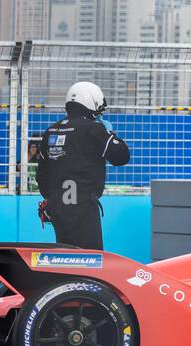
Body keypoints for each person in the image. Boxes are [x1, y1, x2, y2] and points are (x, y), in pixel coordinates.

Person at [37, 81, 130, 249]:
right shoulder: (93, 128)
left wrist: (54, 198)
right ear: (90, 101)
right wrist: (108, 133)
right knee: (90, 259)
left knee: (64, 256)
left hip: (58, 205)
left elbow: (41, 176)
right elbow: (121, 157)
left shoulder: (51, 131)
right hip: (83, 205)